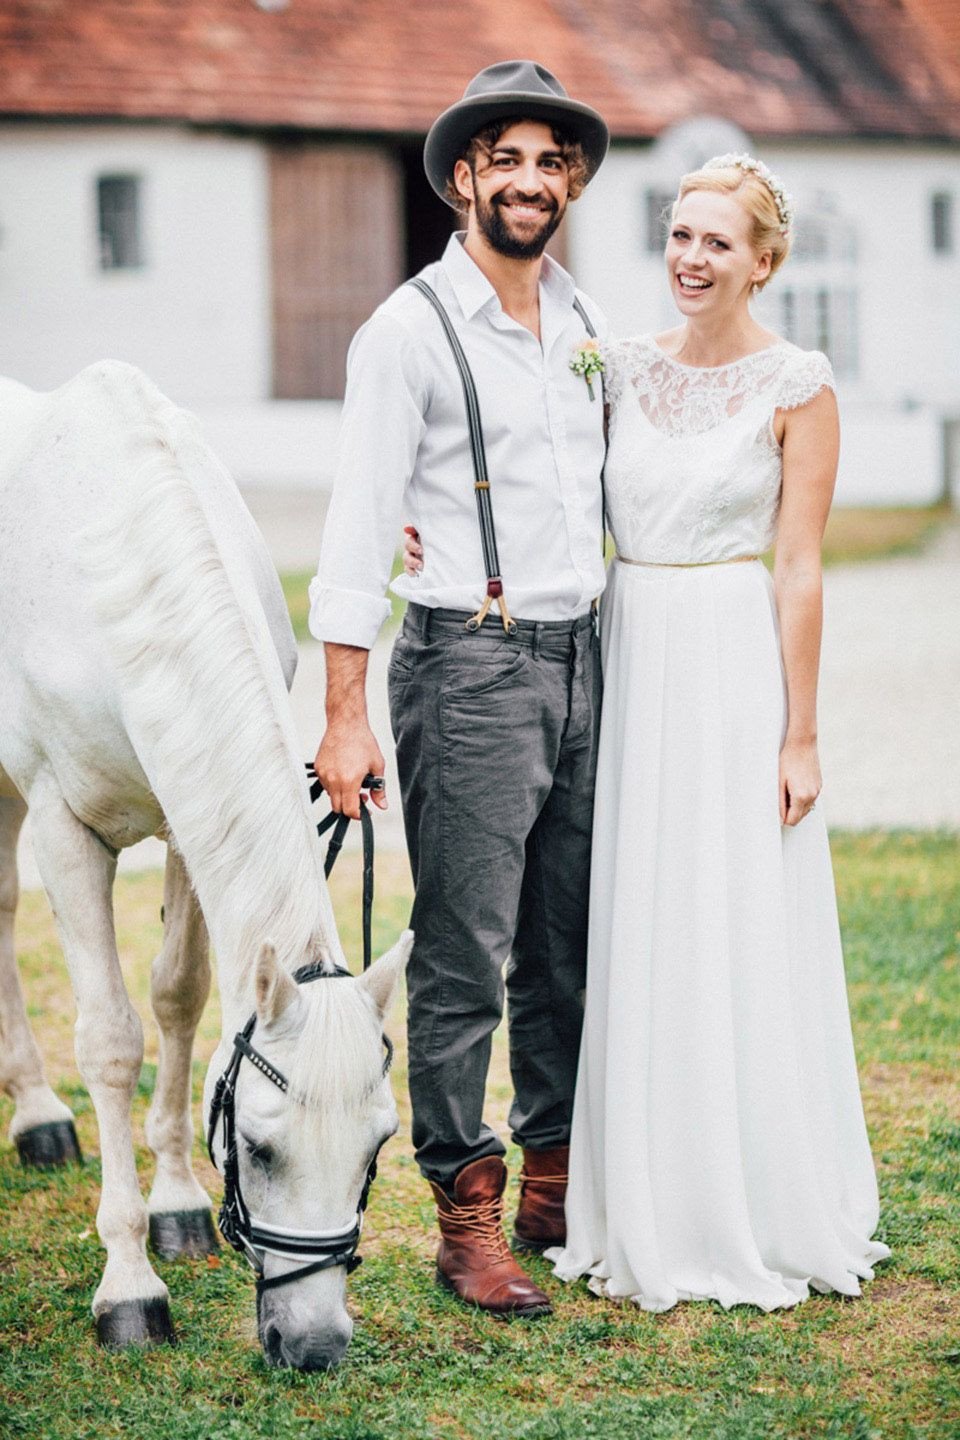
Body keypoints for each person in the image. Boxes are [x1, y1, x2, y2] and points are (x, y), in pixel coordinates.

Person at [405, 154, 889, 1312]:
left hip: (727, 660)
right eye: (678, 234)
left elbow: (803, 566)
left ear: (764, 263)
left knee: (725, 909)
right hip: (624, 651)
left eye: (717, 242)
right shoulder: (613, 367)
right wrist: (426, 535)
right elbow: (531, 471)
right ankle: (620, 1180)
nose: (689, 257)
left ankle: (744, 1187)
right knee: (622, 911)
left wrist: (801, 733)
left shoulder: (799, 385)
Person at [309, 61, 610, 1318]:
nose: (530, 180)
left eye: (551, 160)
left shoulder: (587, 325)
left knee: (568, 942)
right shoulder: (408, 331)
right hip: (471, 665)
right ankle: (465, 1211)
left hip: (589, 656)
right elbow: (355, 527)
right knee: (464, 955)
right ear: (462, 179)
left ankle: (551, 1179)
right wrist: (343, 713)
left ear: (571, 181)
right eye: (507, 159)